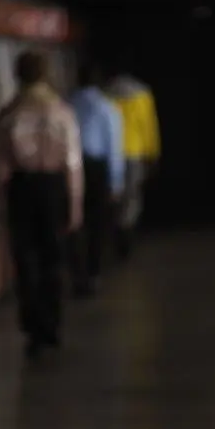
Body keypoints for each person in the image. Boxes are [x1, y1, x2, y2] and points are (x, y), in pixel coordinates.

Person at [0, 49, 83, 359]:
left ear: (17, 75)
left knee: (26, 259)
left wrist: (0, 204)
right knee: (53, 258)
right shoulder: (61, 112)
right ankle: (52, 324)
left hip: (21, 188)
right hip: (54, 188)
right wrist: (74, 205)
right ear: (45, 74)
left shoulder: (8, 113)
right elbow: (72, 163)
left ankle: (33, 328)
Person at [70, 62, 125, 294]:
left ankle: (76, 272)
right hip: (96, 169)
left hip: (70, 167)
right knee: (96, 223)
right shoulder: (107, 107)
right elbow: (114, 148)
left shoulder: (67, 104)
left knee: (73, 221)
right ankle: (92, 272)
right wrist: (115, 182)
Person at [106, 65, 161, 258]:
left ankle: (116, 231)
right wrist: (153, 152)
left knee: (114, 194)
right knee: (132, 195)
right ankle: (126, 230)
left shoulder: (106, 93)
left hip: (112, 152)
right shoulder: (142, 93)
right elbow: (148, 125)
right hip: (135, 151)